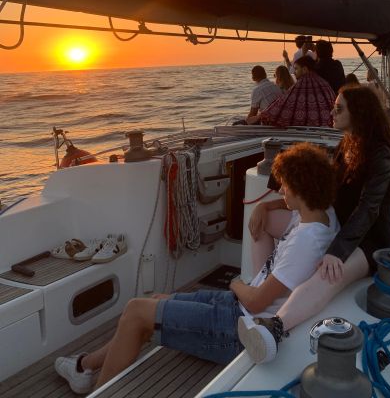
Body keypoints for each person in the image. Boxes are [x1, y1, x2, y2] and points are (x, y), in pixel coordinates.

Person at [54, 143, 339, 394]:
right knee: (155, 302)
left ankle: (90, 378)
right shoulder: (322, 215)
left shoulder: (305, 240)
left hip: (240, 329)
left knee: (136, 312)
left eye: (285, 184)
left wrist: (236, 283)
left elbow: (256, 300)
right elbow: (288, 205)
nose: (281, 189)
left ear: (301, 188)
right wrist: (265, 208)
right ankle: (84, 367)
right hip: (238, 309)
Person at [238, 85, 390, 364]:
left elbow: (368, 210)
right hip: (338, 225)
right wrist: (267, 205)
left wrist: (336, 252)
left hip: (367, 242)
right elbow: (323, 189)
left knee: (329, 275)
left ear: (359, 113)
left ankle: (274, 326)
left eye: (339, 108)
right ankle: (263, 294)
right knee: (264, 220)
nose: (332, 112)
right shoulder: (349, 142)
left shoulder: (381, 155)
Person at [258, 55, 335, 127]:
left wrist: (263, 115)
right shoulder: (324, 83)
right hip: (329, 125)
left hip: (310, 129)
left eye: (296, 69)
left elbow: (285, 102)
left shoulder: (302, 83)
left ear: (304, 69)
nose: (294, 72)